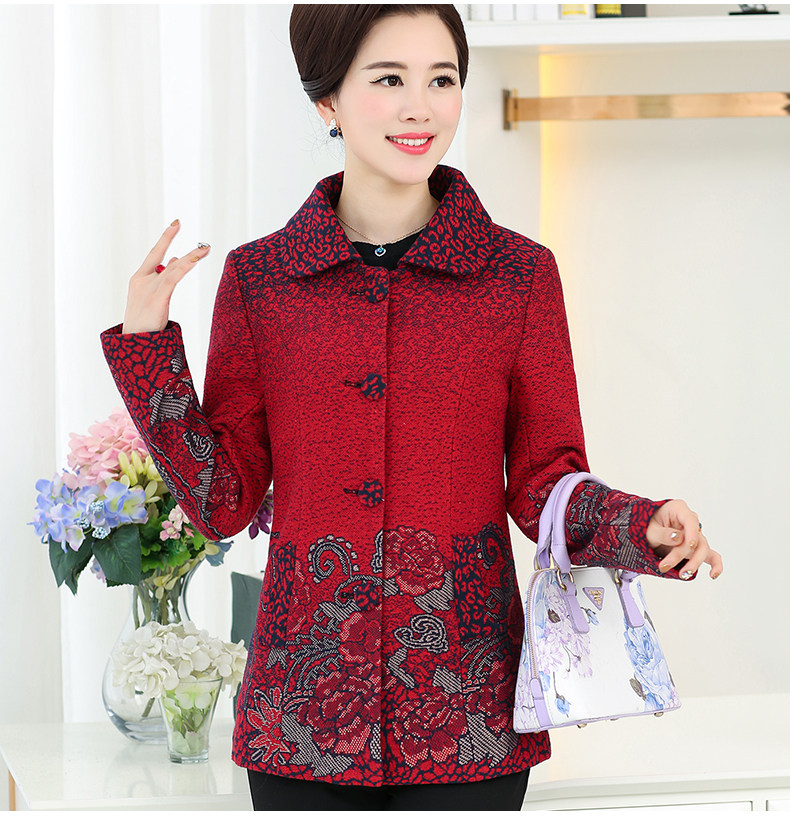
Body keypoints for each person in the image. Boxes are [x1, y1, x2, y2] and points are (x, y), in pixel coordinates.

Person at [101, 4, 723, 812]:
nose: (420, 107)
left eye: (442, 79)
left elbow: (545, 481)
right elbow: (224, 502)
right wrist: (147, 347)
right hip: (302, 716)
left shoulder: (518, 276)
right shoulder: (261, 282)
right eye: (389, 79)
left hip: (469, 713)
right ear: (326, 100)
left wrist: (642, 526)